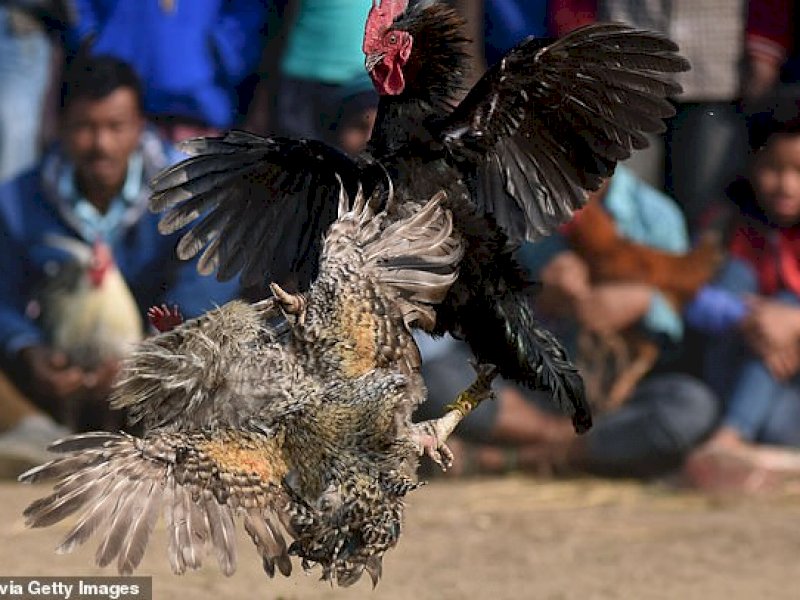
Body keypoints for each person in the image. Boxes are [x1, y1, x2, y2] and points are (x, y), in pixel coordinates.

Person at [416, 166, 718, 479]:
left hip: (620, 396)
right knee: (435, 381)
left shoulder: (657, 215)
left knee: (691, 406)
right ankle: (569, 445)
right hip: (531, 392)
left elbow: (681, 331)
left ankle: (509, 459)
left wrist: (645, 303)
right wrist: (538, 300)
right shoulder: (512, 210)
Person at [0, 55, 239, 441]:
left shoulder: (190, 189)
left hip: (161, 363)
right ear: (59, 126)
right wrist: (26, 348)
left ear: (140, 125)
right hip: (55, 374)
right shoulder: (17, 200)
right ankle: (33, 433)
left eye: (116, 126)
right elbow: (2, 295)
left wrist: (150, 350)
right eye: (84, 127)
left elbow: (211, 276)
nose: (101, 144)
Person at [683, 108, 800, 492]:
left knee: (788, 301)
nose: (786, 185)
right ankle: (738, 439)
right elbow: (687, 295)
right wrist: (747, 318)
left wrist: (792, 322)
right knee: (735, 277)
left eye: (799, 172)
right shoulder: (726, 224)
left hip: (788, 389)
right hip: (731, 371)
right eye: (773, 168)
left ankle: (732, 439)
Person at [65, 0, 269, 142]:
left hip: (201, 115)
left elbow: (246, 13)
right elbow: (80, 10)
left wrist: (216, 50)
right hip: (121, 116)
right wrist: (94, 41)